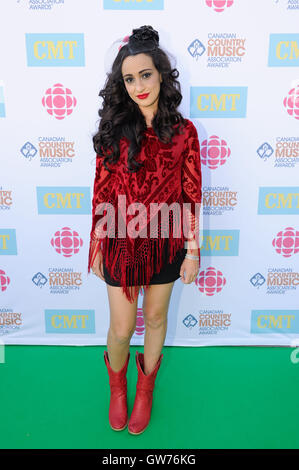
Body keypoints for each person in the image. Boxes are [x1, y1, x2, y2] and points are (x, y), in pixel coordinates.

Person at [88, 25, 202, 435]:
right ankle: (118, 388)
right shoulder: (114, 130)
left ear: (162, 74)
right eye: (129, 79)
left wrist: (192, 251)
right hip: (121, 240)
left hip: (168, 242)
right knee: (121, 328)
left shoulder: (185, 133)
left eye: (146, 75)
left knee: (155, 319)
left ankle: (145, 390)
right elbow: (101, 191)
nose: (139, 85)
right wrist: (97, 244)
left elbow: (191, 193)